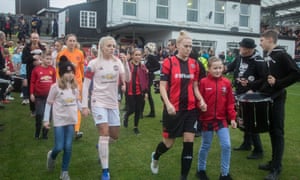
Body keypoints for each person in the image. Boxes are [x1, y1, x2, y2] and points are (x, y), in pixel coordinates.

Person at [150, 30, 206, 180]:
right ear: (178, 46)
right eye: (186, 46)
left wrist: (201, 100)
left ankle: (183, 177)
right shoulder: (169, 62)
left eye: (190, 46)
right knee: (168, 144)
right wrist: (168, 104)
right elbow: (162, 86)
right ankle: (155, 157)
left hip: (191, 109)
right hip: (173, 109)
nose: (189, 49)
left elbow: (195, 86)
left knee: (189, 141)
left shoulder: (195, 64)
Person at [81, 36, 130, 180]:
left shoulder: (118, 62)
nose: (112, 48)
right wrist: (84, 105)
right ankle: (105, 171)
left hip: (113, 102)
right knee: (104, 131)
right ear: (101, 47)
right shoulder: (93, 63)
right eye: (109, 46)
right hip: (98, 102)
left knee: (114, 135)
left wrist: (126, 64)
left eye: (114, 46)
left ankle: (101, 146)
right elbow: (85, 85)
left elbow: (126, 79)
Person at [258, 29, 300, 180]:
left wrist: (278, 83)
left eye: (262, 40)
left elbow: (296, 73)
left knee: (277, 131)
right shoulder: (267, 56)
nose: (260, 43)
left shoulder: (281, 55)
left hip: (278, 98)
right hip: (269, 98)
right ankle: (273, 162)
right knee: (272, 130)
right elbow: (265, 79)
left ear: (270, 40)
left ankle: (276, 168)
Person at [196, 56, 237, 180]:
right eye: (215, 68)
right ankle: (201, 170)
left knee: (227, 145)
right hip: (206, 120)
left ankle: (224, 174)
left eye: (220, 68)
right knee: (205, 145)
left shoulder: (227, 83)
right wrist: (200, 105)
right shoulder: (203, 82)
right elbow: (198, 100)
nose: (218, 70)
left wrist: (233, 118)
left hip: (221, 120)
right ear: (208, 69)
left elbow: (230, 103)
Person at [226, 38, 266, 159]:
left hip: (251, 95)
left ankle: (258, 149)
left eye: (242, 47)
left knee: (251, 121)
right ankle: (247, 143)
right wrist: (218, 69)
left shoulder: (258, 60)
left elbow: (264, 79)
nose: (240, 49)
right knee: (243, 120)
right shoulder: (239, 57)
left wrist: (252, 89)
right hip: (239, 93)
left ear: (250, 49)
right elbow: (230, 67)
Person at [43, 56, 81, 180]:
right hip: (59, 121)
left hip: (70, 121)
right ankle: (52, 156)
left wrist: (83, 108)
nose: (69, 75)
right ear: (61, 73)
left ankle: (64, 172)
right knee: (59, 147)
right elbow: (49, 103)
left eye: (71, 73)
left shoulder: (75, 87)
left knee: (68, 147)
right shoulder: (55, 87)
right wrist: (46, 120)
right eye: (66, 72)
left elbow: (77, 101)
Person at [57, 34, 84, 139]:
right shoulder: (62, 54)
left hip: (77, 82)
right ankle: (66, 125)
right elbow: (58, 70)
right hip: (65, 82)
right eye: (70, 41)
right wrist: (59, 81)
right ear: (66, 42)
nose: (72, 43)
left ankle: (76, 130)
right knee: (67, 103)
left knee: (77, 104)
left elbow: (81, 67)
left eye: (74, 41)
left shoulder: (80, 53)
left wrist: (83, 78)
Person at [30, 49, 56, 139]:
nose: (49, 61)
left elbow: (55, 83)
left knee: (48, 116)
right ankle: (37, 133)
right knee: (40, 114)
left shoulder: (53, 70)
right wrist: (31, 93)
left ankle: (45, 134)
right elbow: (32, 82)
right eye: (47, 59)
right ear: (42, 59)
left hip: (50, 97)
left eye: (50, 59)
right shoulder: (36, 69)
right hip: (39, 97)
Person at [123, 48, 148, 134]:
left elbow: (145, 80)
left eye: (139, 55)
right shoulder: (128, 65)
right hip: (130, 91)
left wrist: (146, 92)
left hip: (139, 92)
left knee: (138, 110)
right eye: (136, 55)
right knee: (132, 109)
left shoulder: (143, 67)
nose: (138, 57)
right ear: (132, 56)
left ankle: (135, 127)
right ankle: (126, 115)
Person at [22, 32, 46, 116]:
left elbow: (47, 58)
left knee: (41, 89)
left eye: (36, 38)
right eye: (33, 38)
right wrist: (32, 58)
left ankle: (41, 108)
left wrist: (41, 61)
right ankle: (33, 110)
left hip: (42, 71)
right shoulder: (26, 48)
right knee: (31, 90)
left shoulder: (42, 47)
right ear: (30, 38)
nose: (35, 39)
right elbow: (23, 60)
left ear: (38, 38)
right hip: (31, 72)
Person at [143, 42, 160, 117]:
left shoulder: (151, 57)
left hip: (150, 77)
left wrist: (150, 70)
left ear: (148, 49)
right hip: (147, 77)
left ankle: (151, 112)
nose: (144, 50)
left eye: (145, 49)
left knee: (147, 93)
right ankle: (151, 112)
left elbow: (158, 66)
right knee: (148, 94)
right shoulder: (147, 57)